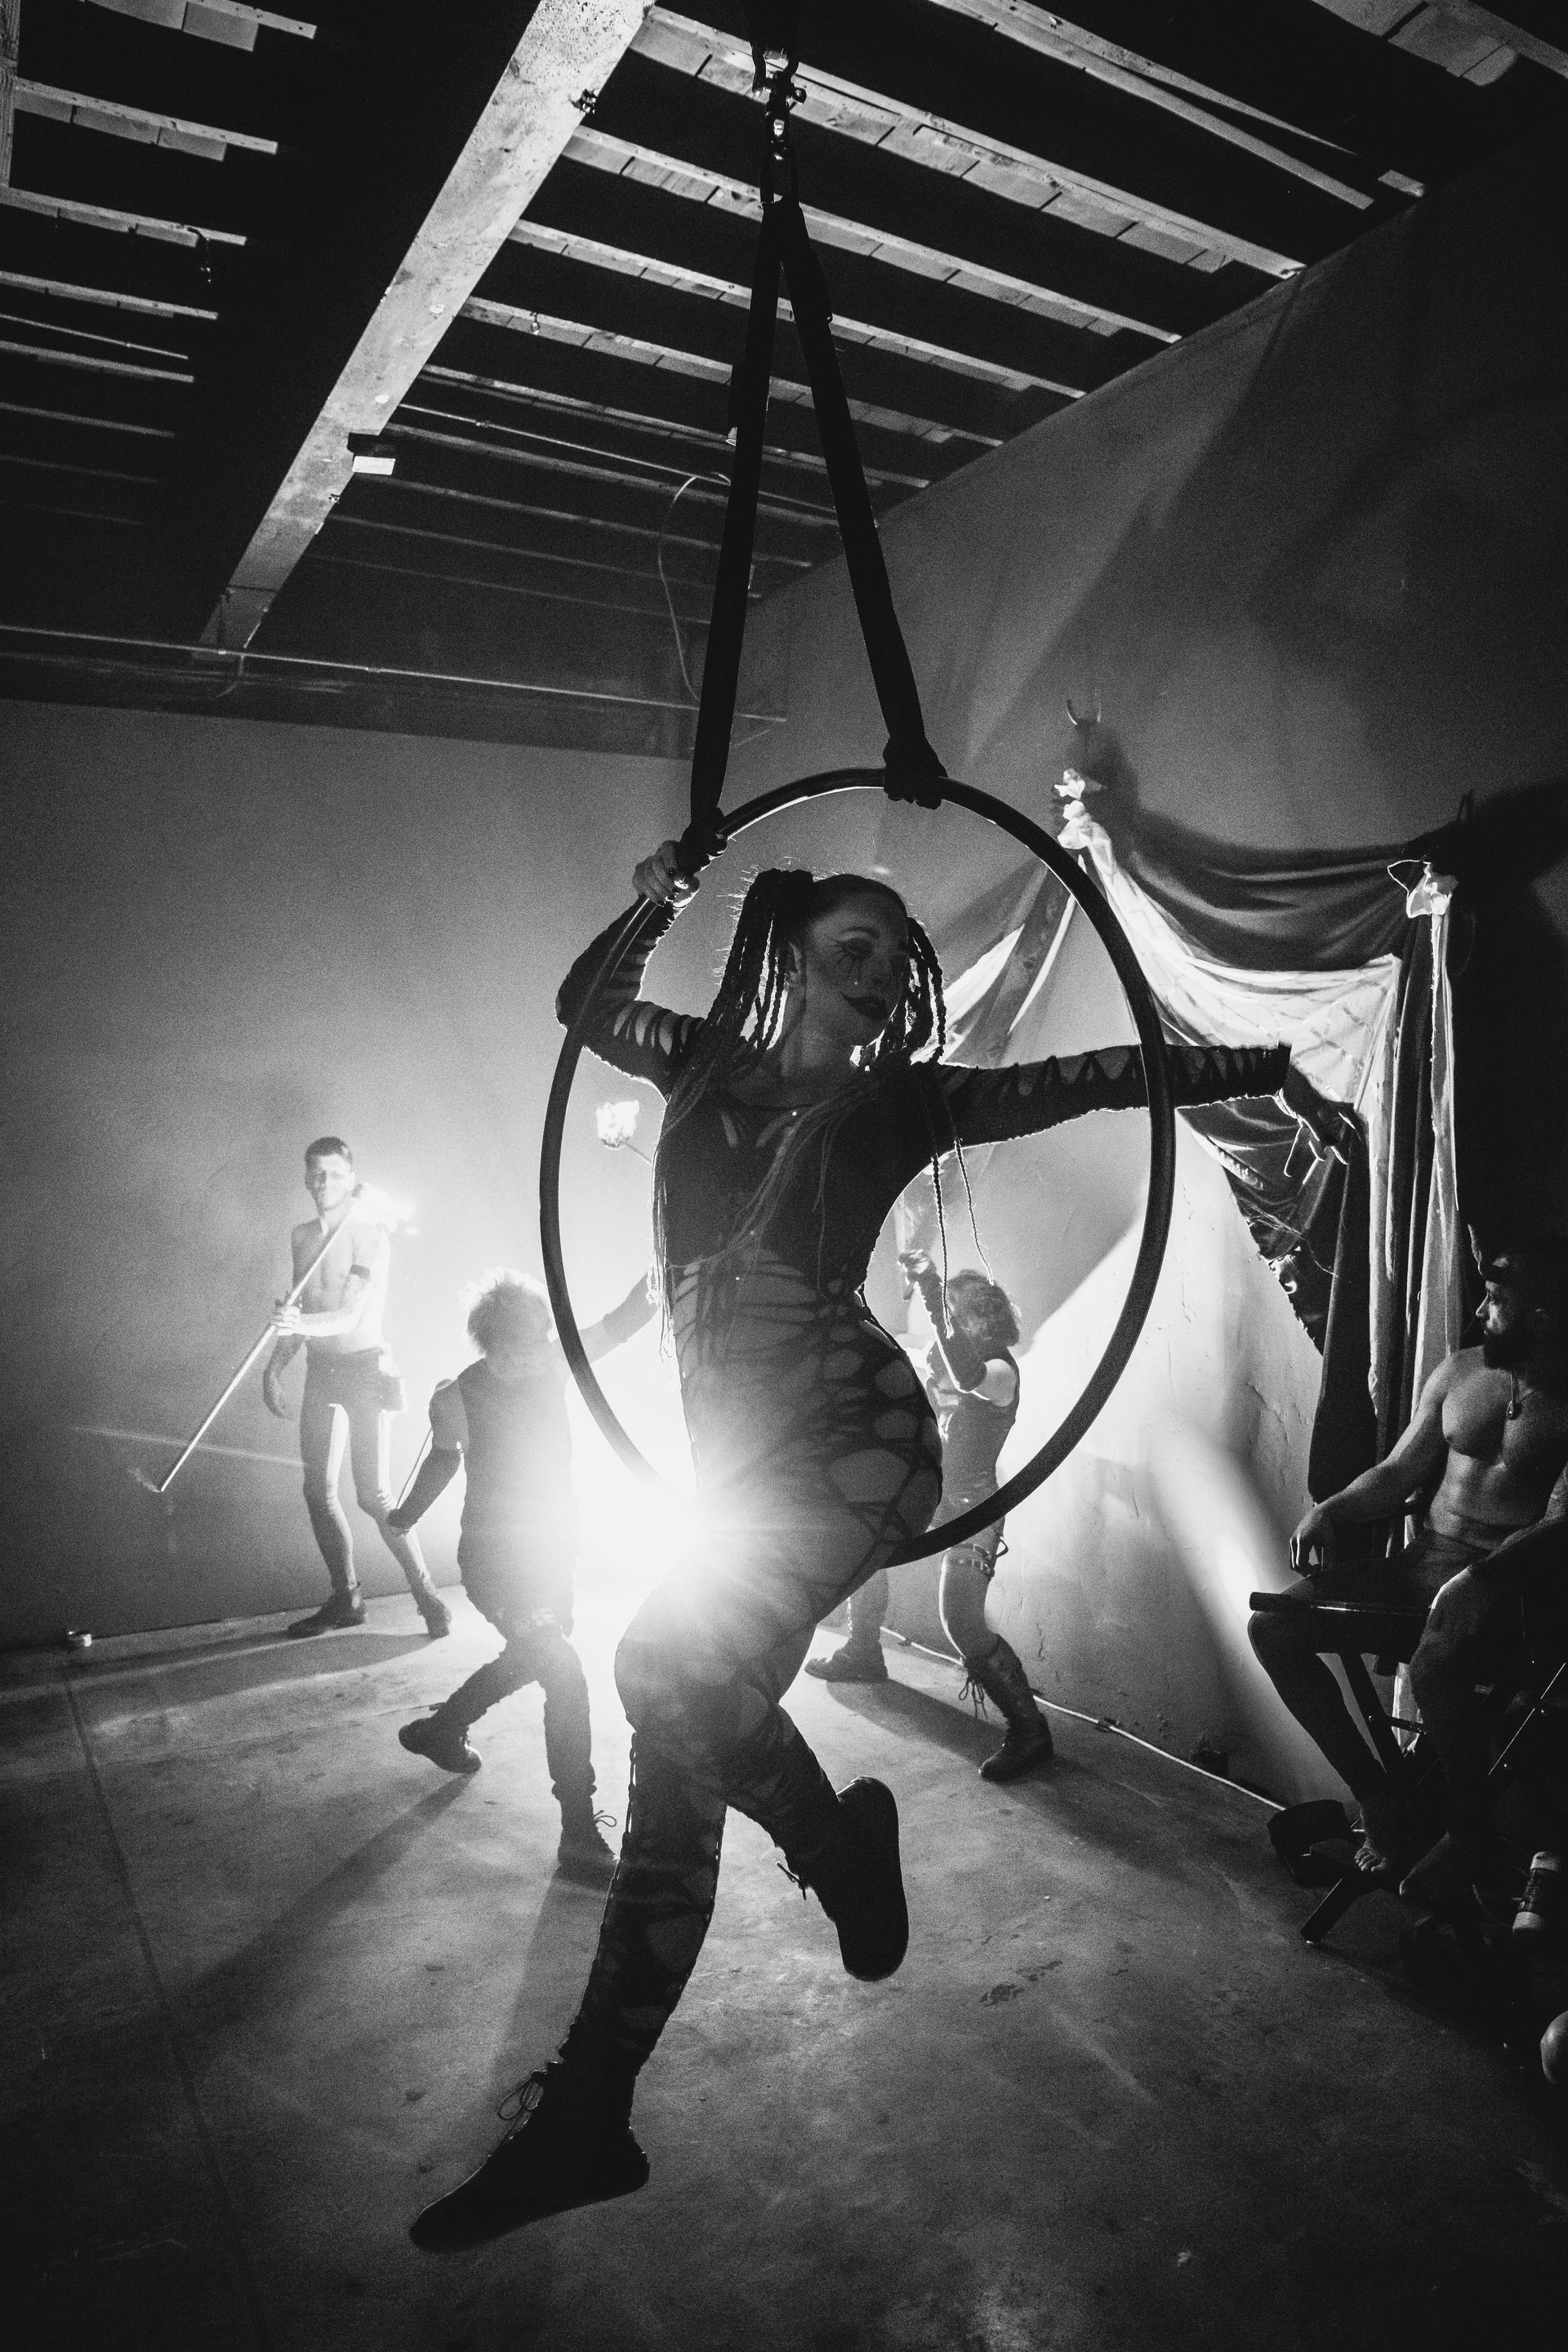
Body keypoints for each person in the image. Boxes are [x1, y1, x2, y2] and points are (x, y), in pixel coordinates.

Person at [411, 837, 1288, 2250]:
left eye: (898, 953)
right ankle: (652, 2049)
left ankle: (633, 2059)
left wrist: (1257, 1063)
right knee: (679, 1714)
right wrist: (665, 885)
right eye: (857, 943)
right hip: (739, 1457)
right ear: (793, 946)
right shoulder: (693, 1064)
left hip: (855, 1431)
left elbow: (1091, 1079)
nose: (882, 969)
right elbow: (585, 998)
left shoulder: (905, 1104)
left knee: (662, 1677)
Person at [1250, 1237, 1568, 1892]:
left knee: (1435, 1662)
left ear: (1541, 1314)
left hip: (1513, 1595)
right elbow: (1398, 1474)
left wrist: (1483, 1579)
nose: (1481, 1310)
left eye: (1498, 1301)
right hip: (1422, 1567)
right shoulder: (1459, 1372)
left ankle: (1467, 1832)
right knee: (1274, 1627)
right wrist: (1333, 1509)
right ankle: (1377, 1795)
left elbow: (1560, 1527)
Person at [387, 1267, 656, 1886]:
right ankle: (580, 1835)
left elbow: (620, 1324)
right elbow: (443, 1461)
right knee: (562, 1671)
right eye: (519, 1346)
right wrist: (407, 1514)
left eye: (539, 1341)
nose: (531, 1354)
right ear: (491, 1343)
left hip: (552, 1556)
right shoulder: (457, 1396)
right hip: (496, 1566)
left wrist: (665, 1272)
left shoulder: (554, 1362)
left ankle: (442, 1729)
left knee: (536, 1658)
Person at [808, 1254, 1053, 1782]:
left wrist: (927, 1289)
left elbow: (968, 1378)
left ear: (977, 1318)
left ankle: (1030, 1730)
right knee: (867, 1546)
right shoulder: (948, 1360)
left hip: (974, 1506)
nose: (948, 1320)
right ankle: (862, 1649)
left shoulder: (1000, 1370)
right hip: (935, 1494)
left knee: (960, 1622)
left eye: (954, 1313)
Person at [263, 1136, 448, 1639]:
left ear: (351, 1179)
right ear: (305, 1178)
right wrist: (274, 1368)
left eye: (335, 1174)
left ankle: (427, 1595)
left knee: (373, 1495)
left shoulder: (370, 1235)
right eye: (315, 1174)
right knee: (317, 1490)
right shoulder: (301, 1236)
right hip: (321, 1371)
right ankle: (346, 1599)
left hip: (365, 1369)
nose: (324, 1184)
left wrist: (296, 1325)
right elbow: (302, 1313)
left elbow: (346, 1316)